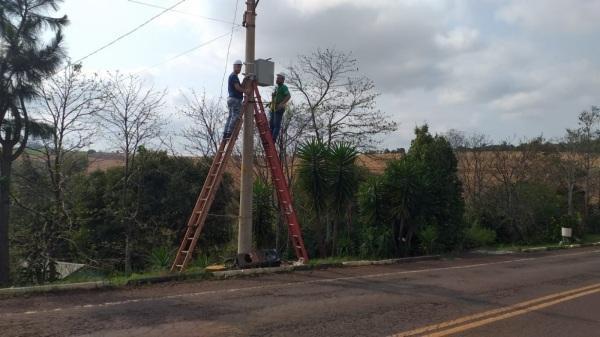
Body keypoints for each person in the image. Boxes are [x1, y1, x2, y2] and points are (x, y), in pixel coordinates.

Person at [223, 59, 247, 139]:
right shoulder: (233, 76)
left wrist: (245, 79)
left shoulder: (234, 76)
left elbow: (240, 86)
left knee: (230, 116)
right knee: (235, 116)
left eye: (240, 67)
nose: (239, 69)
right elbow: (238, 88)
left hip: (231, 99)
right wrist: (246, 91)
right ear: (234, 66)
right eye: (238, 67)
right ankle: (230, 133)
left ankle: (226, 133)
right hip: (235, 99)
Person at [269, 73, 291, 142]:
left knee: (276, 124)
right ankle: (270, 137)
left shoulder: (284, 87)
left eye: (278, 78)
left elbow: (288, 96)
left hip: (279, 108)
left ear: (282, 80)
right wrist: (273, 97)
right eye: (277, 78)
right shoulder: (277, 88)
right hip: (273, 107)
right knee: (271, 124)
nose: (277, 79)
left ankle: (273, 139)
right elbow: (275, 97)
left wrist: (281, 104)